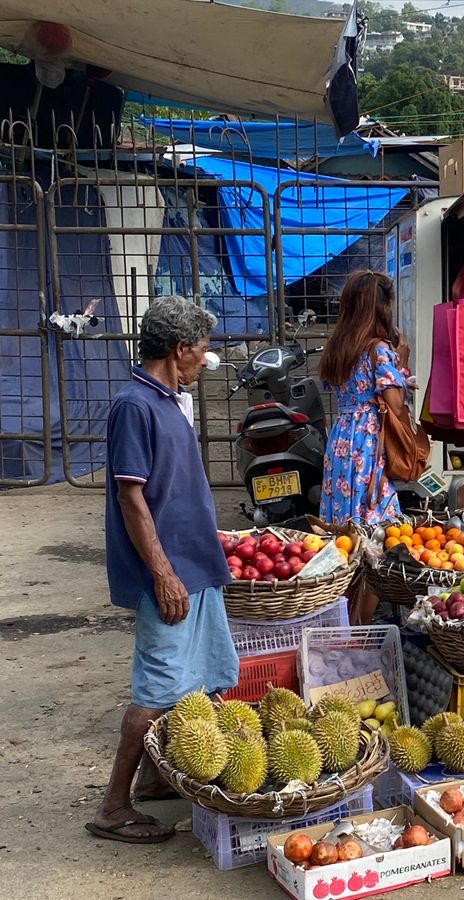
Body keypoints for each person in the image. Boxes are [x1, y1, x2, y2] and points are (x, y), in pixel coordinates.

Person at [89, 297, 237, 843]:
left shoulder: (168, 400)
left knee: (199, 675)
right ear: (179, 349)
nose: (205, 359)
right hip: (170, 572)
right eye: (202, 349)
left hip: (195, 564)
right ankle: (113, 806)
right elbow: (131, 498)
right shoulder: (135, 406)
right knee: (157, 687)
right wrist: (163, 573)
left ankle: (153, 779)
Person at [318, 271, 412, 624]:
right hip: (368, 447)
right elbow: (395, 403)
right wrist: (401, 360)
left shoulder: (338, 348)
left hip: (341, 443)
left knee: (346, 537)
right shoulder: (379, 350)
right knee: (380, 539)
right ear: (381, 307)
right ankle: (358, 627)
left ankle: (343, 620)